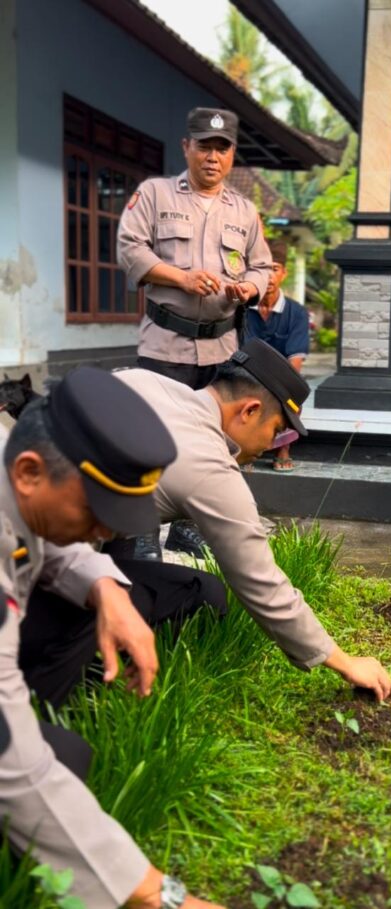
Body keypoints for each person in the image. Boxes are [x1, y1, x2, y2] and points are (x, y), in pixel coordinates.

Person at [20, 342, 391, 706]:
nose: (271, 444)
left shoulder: (145, 380)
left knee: (192, 589)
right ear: (249, 410)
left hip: (42, 541)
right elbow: (260, 582)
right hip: (28, 575)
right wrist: (343, 661)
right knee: (134, 595)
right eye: (277, 430)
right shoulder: (210, 467)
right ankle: (48, 697)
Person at [0, 366, 224, 909]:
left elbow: (40, 536)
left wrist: (106, 586)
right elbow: (9, 752)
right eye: (96, 513)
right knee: (48, 766)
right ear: (30, 471)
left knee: (66, 756)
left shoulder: (14, 465)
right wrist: (157, 894)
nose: (108, 534)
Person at [118, 106, 272, 558]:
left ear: (232, 154)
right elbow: (130, 248)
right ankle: (142, 530)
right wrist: (180, 278)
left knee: (212, 439)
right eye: (204, 145)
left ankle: (190, 526)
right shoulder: (155, 194)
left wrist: (251, 286)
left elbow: (262, 264)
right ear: (187, 147)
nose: (212, 156)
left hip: (221, 344)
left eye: (222, 148)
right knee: (150, 435)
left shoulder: (243, 211)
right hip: (166, 341)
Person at [245, 238, 309, 472]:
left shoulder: (297, 313)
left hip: (282, 381)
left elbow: (295, 362)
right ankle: (247, 449)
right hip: (248, 378)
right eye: (262, 270)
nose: (269, 277)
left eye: (274, 269)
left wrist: (276, 387)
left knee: (293, 395)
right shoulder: (241, 311)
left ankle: (283, 449)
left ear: (284, 273)